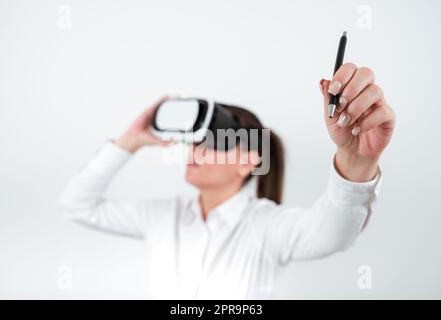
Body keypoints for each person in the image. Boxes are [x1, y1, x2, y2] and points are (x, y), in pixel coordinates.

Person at [58, 63, 395, 299]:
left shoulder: (266, 225)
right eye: (195, 141)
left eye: (214, 143)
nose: (196, 151)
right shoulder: (163, 218)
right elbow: (76, 205)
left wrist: (357, 161)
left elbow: (331, 235)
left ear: (249, 160)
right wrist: (130, 140)